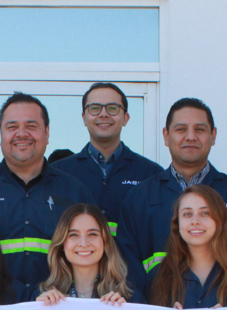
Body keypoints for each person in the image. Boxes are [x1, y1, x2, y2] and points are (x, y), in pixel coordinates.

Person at [118, 98, 227, 293]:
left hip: (221, 309)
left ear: (213, 136)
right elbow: (127, 265)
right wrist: (151, 307)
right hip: (157, 308)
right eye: (181, 129)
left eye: (200, 129)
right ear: (166, 136)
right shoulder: (138, 198)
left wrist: (224, 303)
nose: (190, 137)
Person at [0, 93, 94, 290]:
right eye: (12, 127)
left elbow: (96, 258)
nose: (21, 134)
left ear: (47, 133)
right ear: (1, 134)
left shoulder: (75, 193)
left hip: (57, 304)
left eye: (31, 126)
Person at [52, 82, 163, 230]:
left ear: (125, 118)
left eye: (112, 108)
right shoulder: (58, 173)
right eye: (95, 108)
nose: (103, 114)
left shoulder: (151, 174)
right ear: (84, 118)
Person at [36, 203, 140, 306]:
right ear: (62, 243)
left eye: (92, 234)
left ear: (105, 241)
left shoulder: (128, 297)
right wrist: (39, 308)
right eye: (73, 235)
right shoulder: (44, 297)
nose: (84, 243)